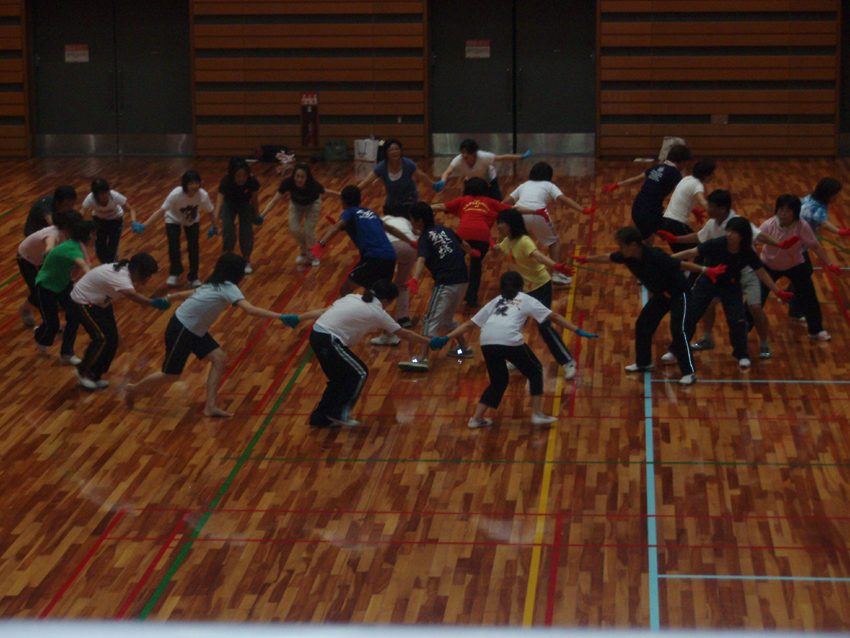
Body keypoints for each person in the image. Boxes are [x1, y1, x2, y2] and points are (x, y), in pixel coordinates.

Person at [125, 253, 289, 418]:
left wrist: (171, 297)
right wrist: (281, 316)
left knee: (219, 358)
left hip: (194, 329)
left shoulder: (215, 282)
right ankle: (133, 388)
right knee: (171, 375)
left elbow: (194, 292)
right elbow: (250, 310)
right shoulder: (227, 287)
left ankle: (210, 407)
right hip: (182, 328)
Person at [436, 271, 598, 428]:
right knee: (535, 371)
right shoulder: (526, 299)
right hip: (508, 339)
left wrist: (446, 338)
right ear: (522, 286)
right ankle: (537, 414)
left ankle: (476, 419)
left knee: (498, 382)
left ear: (501, 287)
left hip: (486, 341)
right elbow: (554, 317)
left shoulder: (495, 301)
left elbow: (469, 324)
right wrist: (577, 330)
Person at [280, 279, 437, 428]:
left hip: (317, 335)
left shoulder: (352, 297)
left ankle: (320, 418)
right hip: (329, 339)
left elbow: (323, 311)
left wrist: (299, 318)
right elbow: (405, 334)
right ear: (386, 300)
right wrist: (430, 342)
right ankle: (339, 413)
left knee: (339, 379)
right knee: (360, 373)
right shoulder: (377, 312)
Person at [657, 189, 789, 359]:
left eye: (711, 206)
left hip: (746, 271)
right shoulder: (713, 224)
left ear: (723, 208)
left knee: (755, 308)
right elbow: (698, 238)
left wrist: (780, 244)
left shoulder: (738, 224)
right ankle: (706, 339)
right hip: (721, 273)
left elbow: (761, 237)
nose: (707, 209)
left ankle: (763, 343)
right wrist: (675, 239)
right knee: (707, 304)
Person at [578, 226, 716, 385]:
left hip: (679, 294)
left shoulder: (656, 255)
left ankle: (689, 373)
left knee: (678, 330)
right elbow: (607, 257)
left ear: (633, 245)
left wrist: (705, 270)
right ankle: (644, 363)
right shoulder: (627, 256)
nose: (620, 249)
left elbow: (681, 265)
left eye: (622, 246)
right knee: (643, 324)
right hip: (662, 295)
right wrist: (586, 259)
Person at [671, 217, 792, 368]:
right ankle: (675, 350)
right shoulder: (717, 243)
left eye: (734, 232)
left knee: (738, 321)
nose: (729, 234)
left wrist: (778, 291)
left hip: (731, 285)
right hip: (708, 281)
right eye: (728, 230)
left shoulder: (746, 251)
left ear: (742, 236)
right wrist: (666, 259)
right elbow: (691, 252)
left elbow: (761, 272)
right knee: (690, 315)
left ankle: (742, 354)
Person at [491, 208, 578, 379]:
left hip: (540, 287)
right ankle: (518, 358)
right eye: (498, 222)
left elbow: (539, 256)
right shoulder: (507, 241)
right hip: (521, 291)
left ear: (512, 224)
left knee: (544, 326)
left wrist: (556, 266)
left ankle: (568, 362)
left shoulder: (524, 241)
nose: (499, 226)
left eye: (503, 223)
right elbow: (499, 248)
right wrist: (491, 246)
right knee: (513, 325)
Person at [70, 253, 169, 390]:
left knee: (112, 340)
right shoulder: (120, 276)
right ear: (136, 270)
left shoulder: (125, 271)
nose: (149, 278)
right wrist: (152, 303)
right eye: (147, 274)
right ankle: (82, 372)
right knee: (102, 339)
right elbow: (132, 295)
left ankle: (94, 375)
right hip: (84, 302)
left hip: (100, 303)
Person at [397, 202, 476, 372]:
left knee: (430, 319)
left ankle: (422, 358)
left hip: (446, 282)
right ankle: (464, 348)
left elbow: (421, 259)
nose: (410, 222)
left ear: (419, 221)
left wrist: (415, 279)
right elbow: (464, 245)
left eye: (411, 219)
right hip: (463, 280)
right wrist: (472, 253)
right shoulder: (444, 229)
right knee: (446, 318)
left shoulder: (425, 238)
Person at [756, 194, 841, 342]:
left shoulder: (802, 226)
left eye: (787, 211)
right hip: (769, 265)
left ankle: (816, 330)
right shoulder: (768, 225)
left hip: (795, 265)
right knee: (755, 300)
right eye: (780, 210)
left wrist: (830, 264)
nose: (783, 214)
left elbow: (815, 246)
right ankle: (744, 330)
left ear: (795, 212)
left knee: (809, 297)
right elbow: (752, 242)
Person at [502, 162, 593, 286]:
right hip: (539, 214)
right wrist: (582, 209)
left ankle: (517, 274)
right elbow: (564, 199)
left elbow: (506, 202)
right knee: (554, 242)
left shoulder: (524, 185)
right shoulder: (549, 185)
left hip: (519, 214)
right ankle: (556, 274)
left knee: (516, 243)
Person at [431, 177, 512, 307]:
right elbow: (513, 209)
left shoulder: (463, 200)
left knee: (453, 264)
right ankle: (471, 298)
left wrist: (419, 209)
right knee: (476, 266)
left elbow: (440, 206)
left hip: (463, 236)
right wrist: (534, 210)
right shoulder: (491, 202)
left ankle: (446, 294)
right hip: (482, 237)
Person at [134, 170, 215, 287]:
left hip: (192, 220)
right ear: (185, 184)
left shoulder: (203, 195)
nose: (195, 186)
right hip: (173, 218)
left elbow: (210, 211)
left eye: (197, 183)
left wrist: (214, 226)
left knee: (193, 247)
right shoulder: (176, 194)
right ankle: (175, 272)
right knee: (173, 245)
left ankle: (193, 277)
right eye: (191, 183)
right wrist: (144, 225)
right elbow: (161, 211)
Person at [313, 185, 396, 298]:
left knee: (345, 289)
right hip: (391, 257)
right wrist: (411, 242)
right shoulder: (370, 212)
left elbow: (336, 227)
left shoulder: (349, 212)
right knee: (372, 296)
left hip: (373, 258)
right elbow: (391, 229)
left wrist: (321, 244)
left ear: (343, 201)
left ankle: (348, 310)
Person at [32, 220, 96, 363]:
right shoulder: (73, 248)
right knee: (53, 325)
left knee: (74, 315)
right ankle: (39, 334)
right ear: (86, 236)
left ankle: (67, 354)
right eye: (93, 234)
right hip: (45, 287)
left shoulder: (78, 246)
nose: (96, 237)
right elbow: (83, 264)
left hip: (63, 285)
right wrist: (94, 281)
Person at [602, 144, 692, 241]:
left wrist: (616, 185)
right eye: (685, 163)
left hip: (637, 208)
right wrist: (693, 209)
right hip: (649, 213)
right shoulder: (674, 173)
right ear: (681, 161)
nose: (686, 166)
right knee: (674, 232)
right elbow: (683, 192)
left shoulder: (656, 168)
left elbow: (636, 179)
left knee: (649, 238)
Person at [789, 177, 847, 320]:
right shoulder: (818, 209)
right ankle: (795, 312)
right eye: (835, 195)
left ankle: (787, 295)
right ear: (828, 194)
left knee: (804, 273)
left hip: (792, 240)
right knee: (803, 278)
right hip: (796, 246)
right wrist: (839, 231)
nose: (836, 198)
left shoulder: (809, 198)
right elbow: (825, 223)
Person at [261, 163, 340, 267]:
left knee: (308, 231)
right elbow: (274, 201)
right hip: (296, 205)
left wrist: (341, 195)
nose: (299, 179)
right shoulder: (288, 183)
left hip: (313, 205)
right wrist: (262, 215)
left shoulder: (313, 184)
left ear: (307, 178)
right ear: (293, 176)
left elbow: (326, 192)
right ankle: (304, 250)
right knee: (294, 229)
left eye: (302, 177)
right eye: (297, 176)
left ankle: (314, 256)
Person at [17, 209, 82, 327]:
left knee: (53, 287)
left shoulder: (69, 234)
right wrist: (51, 254)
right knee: (39, 292)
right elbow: (49, 248)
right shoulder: (53, 235)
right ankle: (29, 311)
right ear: (67, 226)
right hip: (26, 258)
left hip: (43, 258)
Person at [356, 138, 441, 217]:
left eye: (397, 149)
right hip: (392, 201)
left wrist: (434, 185)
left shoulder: (407, 164)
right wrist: (352, 192)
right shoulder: (382, 167)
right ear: (386, 153)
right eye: (391, 150)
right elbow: (366, 182)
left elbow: (421, 176)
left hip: (409, 199)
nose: (395, 152)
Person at [371, 206, 418, 343]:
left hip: (390, 248)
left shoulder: (383, 219)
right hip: (410, 250)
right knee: (402, 285)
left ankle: (376, 317)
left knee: (382, 286)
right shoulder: (405, 221)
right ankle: (403, 318)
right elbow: (416, 233)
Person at [210, 157, 261, 274]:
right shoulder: (226, 181)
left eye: (244, 175)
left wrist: (257, 215)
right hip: (229, 204)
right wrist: (214, 223)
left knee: (246, 230)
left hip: (245, 204)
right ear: (233, 175)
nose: (242, 179)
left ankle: (246, 259)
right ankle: (228, 257)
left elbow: (255, 200)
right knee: (228, 228)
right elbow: (219, 204)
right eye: (238, 176)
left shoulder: (252, 181)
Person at [437, 138, 531, 201]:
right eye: (463, 152)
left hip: (489, 180)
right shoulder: (459, 160)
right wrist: (442, 181)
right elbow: (448, 171)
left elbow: (502, 158)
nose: (464, 155)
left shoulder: (484, 157)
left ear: (474, 153)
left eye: (467, 153)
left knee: (497, 203)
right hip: (472, 181)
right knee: (466, 203)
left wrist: (521, 157)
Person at [658, 158, 715, 252]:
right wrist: (715, 213)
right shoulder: (698, 185)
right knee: (698, 249)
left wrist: (693, 210)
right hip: (676, 224)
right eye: (711, 173)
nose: (713, 176)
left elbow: (683, 197)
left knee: (692, 248)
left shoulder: (686, 179)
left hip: (667, 221)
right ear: (705, 174)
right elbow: (702, 201)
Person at [81, 179, 138, 264]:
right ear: (95, 195)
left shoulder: (115, 196)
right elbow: (81, 213)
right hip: (99, 221)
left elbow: (130, 210)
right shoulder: (90, 198)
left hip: (115, 221)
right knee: (100, 251)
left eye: (106, 192)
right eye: (101, 194)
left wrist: (133, 221)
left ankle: (112, 265)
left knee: (112, 250)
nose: (105, 195)